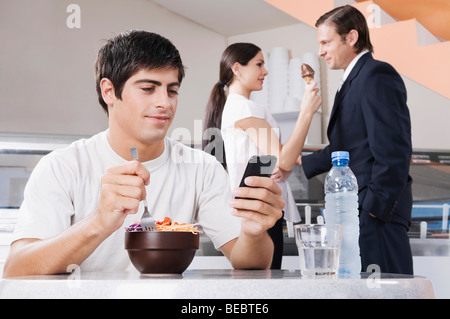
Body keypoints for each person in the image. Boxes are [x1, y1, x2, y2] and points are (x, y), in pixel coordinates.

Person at [2, 31, 285, 278]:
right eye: (148, 89)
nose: (164, 103)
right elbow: (17, 268)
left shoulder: (202, 167)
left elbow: (251, 263)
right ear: (109, 91)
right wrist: (99, 221)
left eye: (171, 91)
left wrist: (253, 232)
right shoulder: (62, 166)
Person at [301, 5, 413, 274]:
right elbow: (349, 145)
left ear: (351, 37)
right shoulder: (354, 79)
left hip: (377, 215)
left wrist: (372, 211)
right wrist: (299, 162)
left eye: (326, 42)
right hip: (358, 211)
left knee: (387, 292)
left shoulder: (376, 75)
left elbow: (394, 152)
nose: (321, 51)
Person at [203, 43, 322, 269]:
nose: (265, 71)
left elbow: (280, 160)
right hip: (260, 210)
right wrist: (307, 112)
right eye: (259, 64)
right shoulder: (244, 109)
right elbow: (283, 159)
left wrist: (283, 161)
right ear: (237, 69)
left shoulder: (240, 107)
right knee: (266, 283)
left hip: (259, 207)